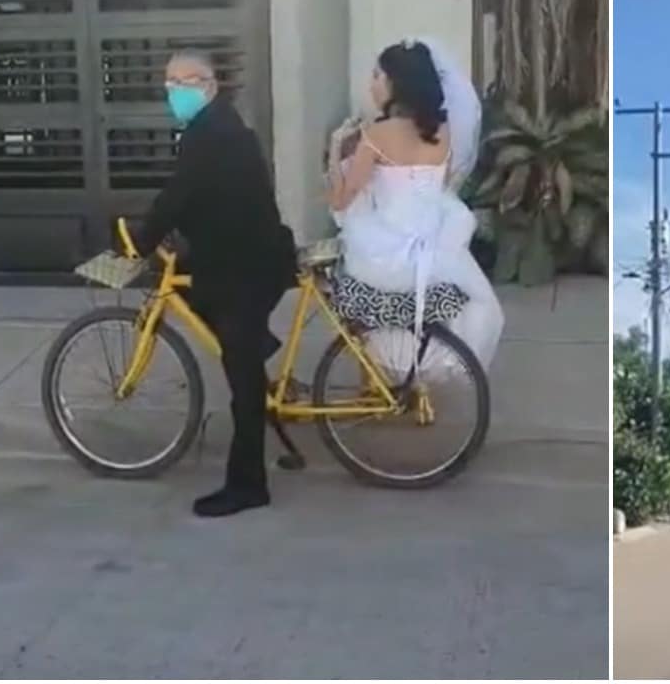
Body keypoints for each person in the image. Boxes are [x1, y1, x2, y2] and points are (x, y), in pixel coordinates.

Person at [132, 50, 297, 518]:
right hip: (245, 255)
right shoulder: (217, 127)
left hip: (245, 266)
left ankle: (248, 485)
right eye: (167, 84)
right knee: (197, 294)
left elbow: (179, 194)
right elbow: (195, 195)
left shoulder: (210, 135)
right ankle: (252, 344)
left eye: (180, 83)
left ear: (207, 85)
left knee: (241, 378)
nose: (171, 93)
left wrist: (140, 241)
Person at [324, 39, 503, 377]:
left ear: (395, 83)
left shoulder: (377, 135)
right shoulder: (444, 131)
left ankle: (378, 374)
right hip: (437, 247)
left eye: (377, 75)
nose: (371, 84)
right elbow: (442, 186)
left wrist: (336, 149)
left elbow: (340, 200)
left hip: (386, 251)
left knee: (332, 285)